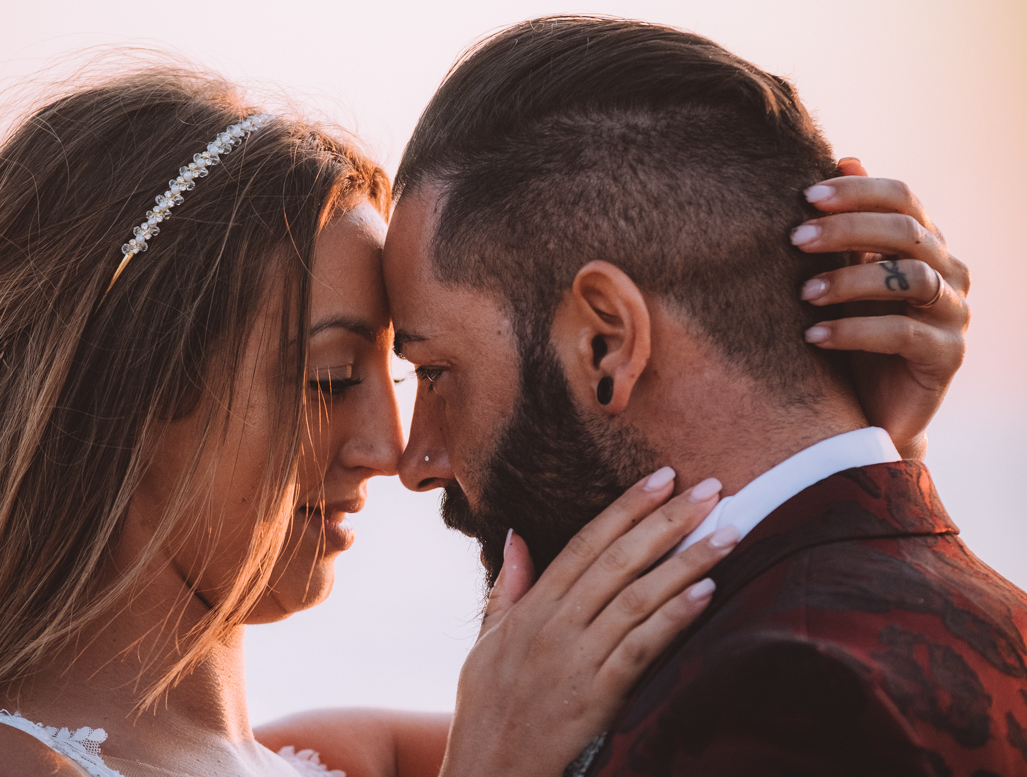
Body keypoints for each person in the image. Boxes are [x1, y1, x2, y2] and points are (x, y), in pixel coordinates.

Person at [0, 66, 751, 777]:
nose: (390, 450)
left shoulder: (347, 757)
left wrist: (859, 427)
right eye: (328, 378)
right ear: (131, 393)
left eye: (400, 371)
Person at [358, 14, 1023, 777]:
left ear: (607, 341)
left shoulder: (774, 706)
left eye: (436, 374)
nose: (417, 460)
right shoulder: (999, 618)